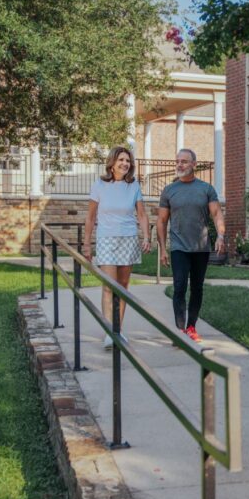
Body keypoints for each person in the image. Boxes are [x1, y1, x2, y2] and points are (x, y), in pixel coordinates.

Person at [83, 146, 151, 349]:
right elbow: (90, 217)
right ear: (112, 163)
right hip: (106, 240)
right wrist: (87, 243)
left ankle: (118, 330)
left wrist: (146, 236)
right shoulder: (99, 185)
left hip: (128, 239)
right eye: (121, 159)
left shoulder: (133, 186)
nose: (125, 163)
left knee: (122, 288)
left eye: (128, 161)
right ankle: (108, 332)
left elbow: (141, 215)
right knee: (108, 286)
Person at [157, 148, 226, 342]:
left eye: (184, 161)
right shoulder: (169, 190)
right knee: (179, 286)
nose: (179, 164)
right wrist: (163, 248)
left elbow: (216, 214)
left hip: (201, 247)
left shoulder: (206, 189)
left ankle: (191, 327)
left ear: (194, 164)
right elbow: (161, 221)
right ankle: (180, 331)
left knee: (197, 287)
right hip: (179, 247)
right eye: (177, 161)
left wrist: (220, 235)